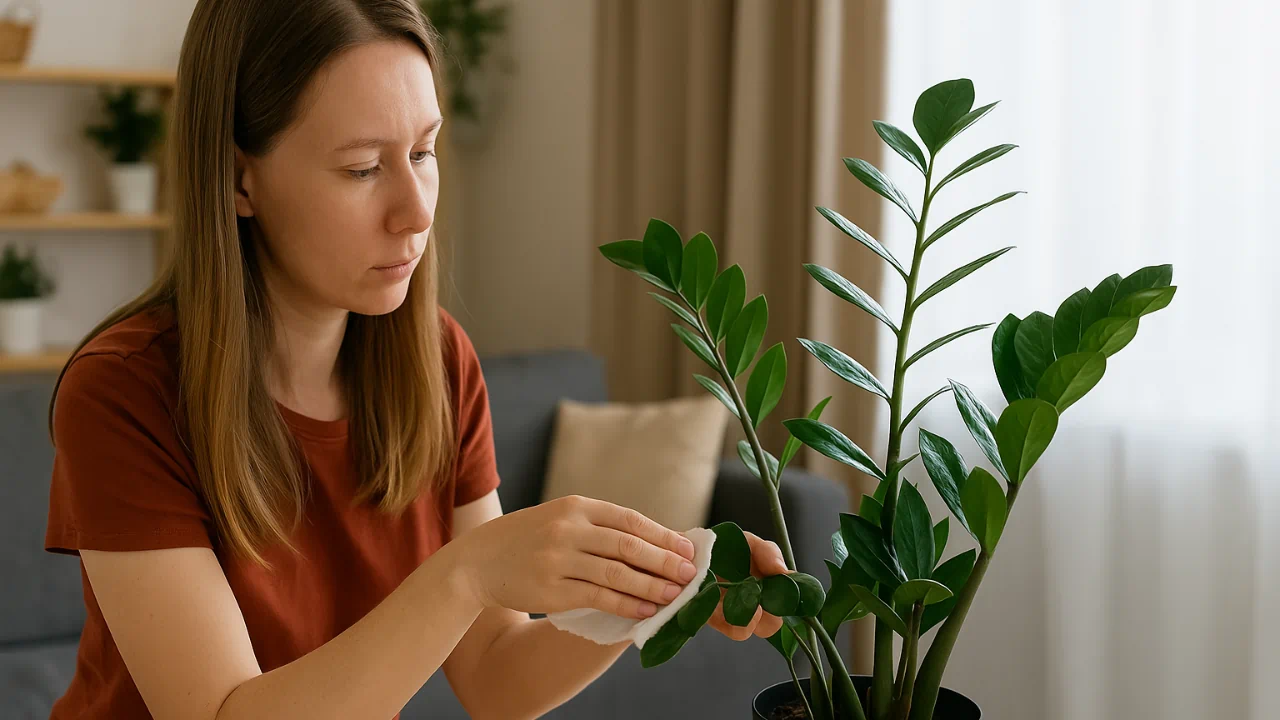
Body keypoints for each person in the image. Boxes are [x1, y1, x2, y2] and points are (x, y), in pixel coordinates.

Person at [42, 1, 789, 718]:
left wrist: (652, 589)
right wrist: (465, 574)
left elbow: (497, 680)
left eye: (423, 152)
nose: (417, 210)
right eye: (364, 168)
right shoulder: (123, 392)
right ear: (241, 179)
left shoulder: (437, 361)